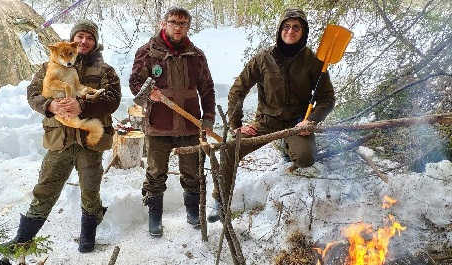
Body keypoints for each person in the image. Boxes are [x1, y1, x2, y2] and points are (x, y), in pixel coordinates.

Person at [3, 19, 121, 254]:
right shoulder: (51, 64)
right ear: (72, 39)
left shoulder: (105, 70)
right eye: (80, 36)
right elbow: (32, 93)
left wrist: (83, 107)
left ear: (94, 42)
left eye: (89, 37)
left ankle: (88, 238)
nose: (84, 41)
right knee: (46, 188)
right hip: (60, 140)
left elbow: (113, 100)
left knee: (90, 190)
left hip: (89, 141)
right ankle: (23, 240)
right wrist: (50, 106)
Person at [207, 8, 335, 223]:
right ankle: (220, 200)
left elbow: (327, 98)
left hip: (297, 123)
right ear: (280, 30)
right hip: (266, 121)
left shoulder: (314, 62)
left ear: (303, 32)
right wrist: (236, 124)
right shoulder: (263, 58)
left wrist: (310, 121)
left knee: (305, 159)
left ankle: (288, 146)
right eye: (286, 26)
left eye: (296, 27)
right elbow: (238, 89)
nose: (291, 31)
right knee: (229, 150)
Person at [129, 7, 215, 237]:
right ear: (163, 23)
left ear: (188, 27)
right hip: (159, 124)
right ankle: (155, 219)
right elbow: (135, 84)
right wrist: (150, 92)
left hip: (189, 124)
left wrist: (207, 118)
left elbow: (207, 89)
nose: (179, 27)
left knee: (193, 171)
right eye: (174, 22)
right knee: (156, 173)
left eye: (184, 23)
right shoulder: (147, 52)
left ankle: (193, 212)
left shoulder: (196, 55)